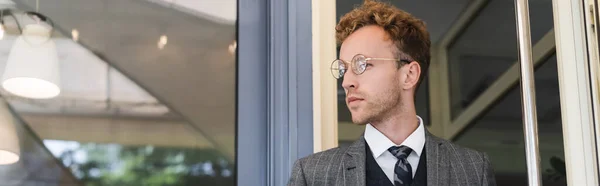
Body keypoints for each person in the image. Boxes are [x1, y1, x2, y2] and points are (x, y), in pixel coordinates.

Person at [287, 1, 496, 186]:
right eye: (344, 69)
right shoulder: (313, 176)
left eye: (362, 64)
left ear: (409, 75)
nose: (346, 82)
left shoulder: (473, 170)